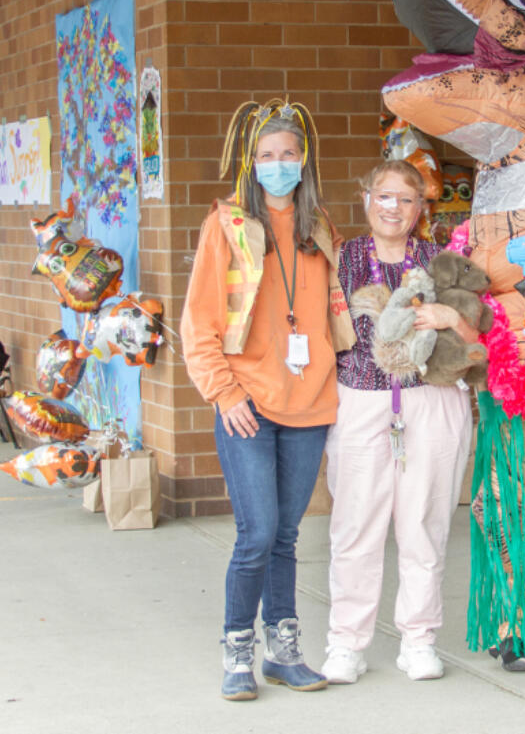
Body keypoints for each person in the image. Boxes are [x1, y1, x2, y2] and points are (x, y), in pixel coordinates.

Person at [181, 98, 356, 702]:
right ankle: (237, 650)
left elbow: (339, 318)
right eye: (267, 156)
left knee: (286, 536)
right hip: (247, 404)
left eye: (288, 155)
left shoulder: (322, 229)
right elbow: (198, 322)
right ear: (249, 163)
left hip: (311, 405)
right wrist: (223, 392)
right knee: (256, 534)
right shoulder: (226, 225)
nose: (278, 166)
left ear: (304, 162)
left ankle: (285, 651)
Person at [320, 161, 475, 684]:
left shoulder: (443, 263)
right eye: (383, 196)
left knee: (424, 525)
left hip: (431, 401)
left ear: (420, 208)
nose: (393, 208)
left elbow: (484, 330)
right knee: (355, 526)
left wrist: (452, 319)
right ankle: (346, 643)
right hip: (361, 402)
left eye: (405, 200)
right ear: (366, 198)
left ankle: (418, 639)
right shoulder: (339, 261)